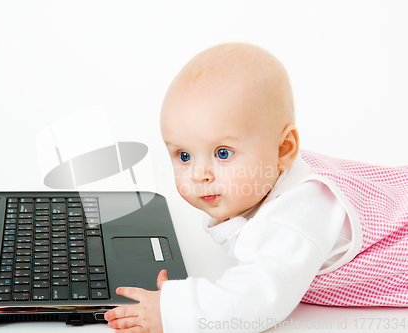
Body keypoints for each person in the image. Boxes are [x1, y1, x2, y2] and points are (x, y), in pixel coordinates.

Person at [104, 42, 408, 332]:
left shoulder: (295, 212)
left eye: (223, 153)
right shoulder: (271, 176)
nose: (199, 175)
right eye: (184, 156)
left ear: (283, 150)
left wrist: (173, 311)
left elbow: (257, 298)